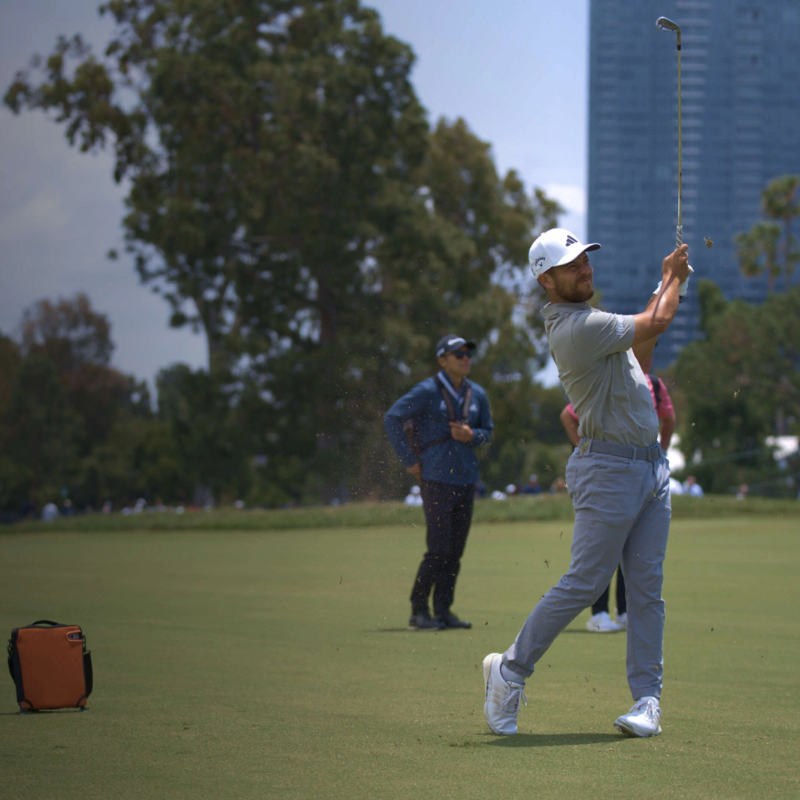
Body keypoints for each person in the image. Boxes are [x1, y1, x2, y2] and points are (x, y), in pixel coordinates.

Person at [483, 227, 691, 738]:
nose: (585, 268)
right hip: (608, 469)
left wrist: (670, 280)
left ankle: (647, 700)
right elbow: (658, 319)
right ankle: (509, 671)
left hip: (650, 469)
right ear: (547, 281)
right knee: (585, 582)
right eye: (572, 264)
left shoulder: (595, 324)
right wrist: (672, 279)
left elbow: (644, 345)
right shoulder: (575, 327)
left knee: (646, 591)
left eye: (585, 259)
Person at [559, 348, 677, 633]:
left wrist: (659, 454)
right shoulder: (611, 378)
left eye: (650, 350)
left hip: (642, 474)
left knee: (633, 549)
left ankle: (625, 612)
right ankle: (599, 614)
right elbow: (568, 415)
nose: (648, 356)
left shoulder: (655, 385)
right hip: (608, 475)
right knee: (604, 547)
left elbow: (669, 419)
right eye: (643, 349)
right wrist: (584, 448)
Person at [385, 335, 494, 631]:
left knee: (455, 550)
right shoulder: (427, 390)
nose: (465, 358)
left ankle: (443, 610)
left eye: (467, 353)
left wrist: (472, 436)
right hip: (435, 477)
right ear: (442, 360)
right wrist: (409, 461)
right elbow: (392, 418)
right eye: (457, 354)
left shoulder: (477, 393)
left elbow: (488, 431)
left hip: (467, 478)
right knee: (438, 548)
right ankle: (418, 611)